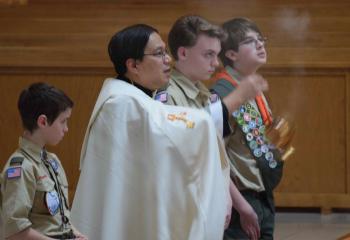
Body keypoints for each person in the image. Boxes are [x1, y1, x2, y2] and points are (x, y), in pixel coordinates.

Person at [71, 24, 230, 240]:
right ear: (134, 65)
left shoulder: (136, 99)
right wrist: (222, 108)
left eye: (165, 51)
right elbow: (175, 133)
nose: (168, 60)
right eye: (158, 53)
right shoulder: (121, 104)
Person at [158, 15, 268, 240]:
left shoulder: (202, 93)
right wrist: (237, 98)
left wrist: (230, 198)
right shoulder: (168, 95)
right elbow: (187, 143)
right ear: (183, 53)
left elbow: (214, 155)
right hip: (183, 205)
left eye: (216, 55)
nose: (216, 63)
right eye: (208, 55)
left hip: (209, 201)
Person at [211, 17, 285, 239]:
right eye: (251, 41)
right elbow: (216, 158)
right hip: (240, 202)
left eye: (261, 39)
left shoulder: (254, 87)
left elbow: (250, 138)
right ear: (232, 54)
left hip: (263, 195)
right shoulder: (224, 95)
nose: (261, 44)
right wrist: (241, 207)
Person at [0, 82, 87, 240]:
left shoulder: (51, 161)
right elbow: (14, 231)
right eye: (63, 121)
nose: (66, 129)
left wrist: (75, 233)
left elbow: (57, 217)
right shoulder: (21, 167)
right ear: (43, 121)